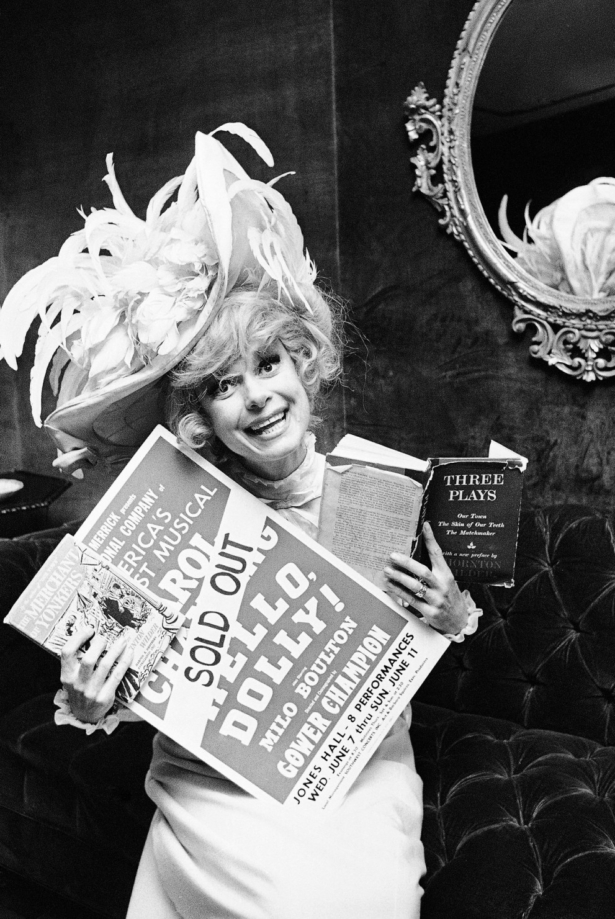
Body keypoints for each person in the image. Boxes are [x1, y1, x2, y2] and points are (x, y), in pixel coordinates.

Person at [0, 125, 481, 919]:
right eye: (224, 385)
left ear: (303, 364)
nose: (256, 396)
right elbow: (131, 681)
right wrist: (89, 701)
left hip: (349, 776)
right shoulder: (169, 514)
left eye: (268, 363)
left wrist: (447, 611)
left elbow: (427, 640)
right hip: (211, 784)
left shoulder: (380, 489)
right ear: (200, 418)